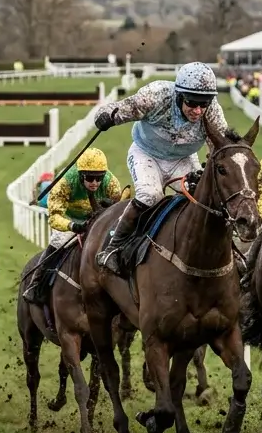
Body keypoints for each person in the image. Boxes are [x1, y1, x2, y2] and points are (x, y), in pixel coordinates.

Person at [90, 62, 231, 275]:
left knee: (204, 199)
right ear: (179, 95)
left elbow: (221, 146)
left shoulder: (212, 112)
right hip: (146, 154)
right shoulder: (157, 95)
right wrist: (106, 115)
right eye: (192, 103)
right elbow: (123, 108)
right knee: (150, 195)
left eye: (204, 104)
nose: (198, 111)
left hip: (182, 159)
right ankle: (113, 247)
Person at [23, 147, 123, 304]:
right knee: (59, 240)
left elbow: (119, 206)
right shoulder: (65, 182)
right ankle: (36, 284)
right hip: (69, 218)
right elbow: (54, 216)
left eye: (99, 178)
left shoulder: (111, 183)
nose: (95, 183)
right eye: (90, 178)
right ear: (80, 174)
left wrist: (111, 205)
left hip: (97, 218)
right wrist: (72, 226)